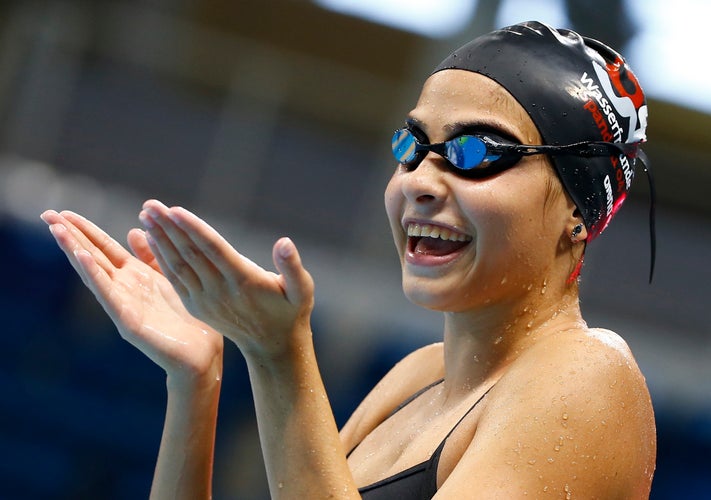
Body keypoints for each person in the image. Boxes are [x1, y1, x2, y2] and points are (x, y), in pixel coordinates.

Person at [41, 21, 656, 499]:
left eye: (476, 151)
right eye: (411, 146)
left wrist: (279, 356)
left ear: (579, 209)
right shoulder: (416, 379)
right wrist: (195, 383)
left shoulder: (591, 381)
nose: (421, 179)